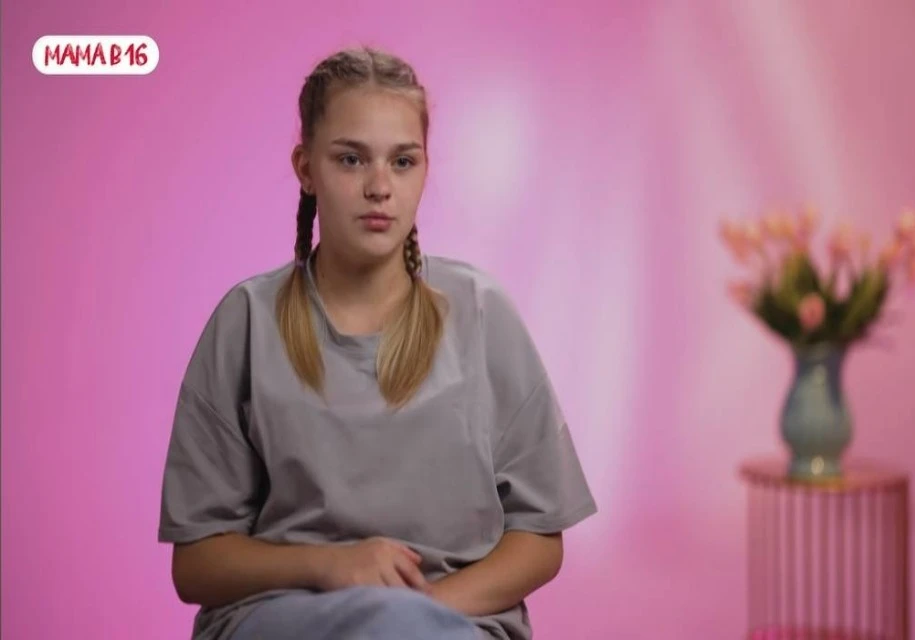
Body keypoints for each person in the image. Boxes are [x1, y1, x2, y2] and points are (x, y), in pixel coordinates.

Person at [158, 45, 597, 640]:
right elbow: (196, 565)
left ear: (425, 169)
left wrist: (424, 614)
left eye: (403, 161)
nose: (380, 187)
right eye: (351, 159)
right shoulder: (247, 321)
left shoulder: (481, 313)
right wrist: (330, 564)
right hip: (283, 619)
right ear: (306, 168)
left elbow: (540, 537)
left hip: (452, 622)